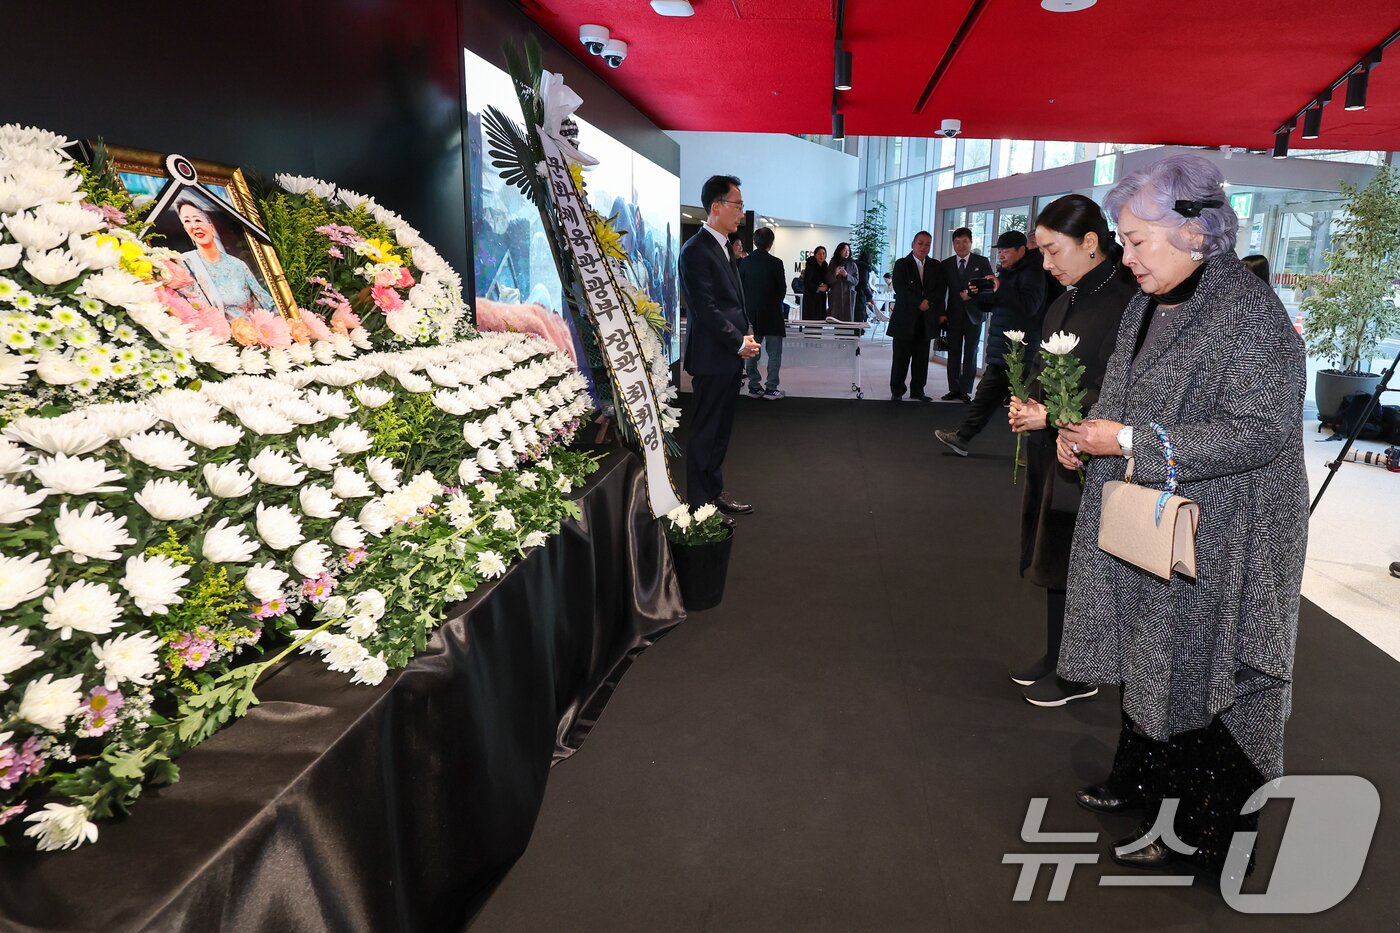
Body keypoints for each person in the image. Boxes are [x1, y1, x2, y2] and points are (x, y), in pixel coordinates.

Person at [1055, 154, 1307, 879]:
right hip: (1164, 516)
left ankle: (1205, 835)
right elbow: (1123, 392)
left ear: (1195, 232)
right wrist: (1087, 435)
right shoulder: (1151, 300)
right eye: (1123, 240)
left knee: (1210, 673)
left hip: (1233, 533)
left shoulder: (1249, 313)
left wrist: (1130, 441)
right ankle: (1142, 783)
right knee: (1154, 652)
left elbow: (1259, 432)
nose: (1126, 256)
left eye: (1137, 240)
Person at [1006, 195, 1136, 707]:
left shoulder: (1127, 300)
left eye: (1053, 250)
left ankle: (1081, 670)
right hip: (1057, 450)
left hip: (1098, 454)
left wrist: (1054, 416)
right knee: (1056, 553)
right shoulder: (1065, 300)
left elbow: (1120, 388)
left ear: (1090, 242)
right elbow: (1046, 370)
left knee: (1086, 566)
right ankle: (1060, 655)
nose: (1046, 264)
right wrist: (1030, 404)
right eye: (1041, 251)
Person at [679, 174, 761, 514]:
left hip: (727, 356)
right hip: (712, 356)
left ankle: (713, 493)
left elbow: (733, 304)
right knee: (706, 431)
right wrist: (737, 342)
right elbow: (705, 309)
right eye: (737, 205)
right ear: (716, 206)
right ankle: (699, 504)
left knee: (721, 431)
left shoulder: (723, 247)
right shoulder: (696, 250)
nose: (741, 213)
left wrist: (746, 334)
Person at [934, 230, 1047, 455]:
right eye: (999, 251)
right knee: (987, 397)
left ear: (1021, 250)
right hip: (1003, 348)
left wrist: (1000, 288)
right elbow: (997, 302)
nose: (1001, 255)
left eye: (1006, 251)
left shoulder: (1034, 272)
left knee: (1028, 402)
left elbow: (1030, 305)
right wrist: (978, 294)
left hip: (1019, 350)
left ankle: (1033, 453)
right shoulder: (1008, 272)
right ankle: (962, 438)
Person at [175, 198, 274, 321]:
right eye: (187, 221)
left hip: (247, 330)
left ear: (211, 227)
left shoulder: (238, 265)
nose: (194, 226)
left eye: (198, 220)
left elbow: (269, 305)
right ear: (185, 229)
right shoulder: (183, 263)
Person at [888, 231, 945, 401]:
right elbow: (900, 288)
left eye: (927, 244)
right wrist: (919, 302)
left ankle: (918, 391)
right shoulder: (902, 264)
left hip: (925, 319)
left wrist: (929, 302)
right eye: (920, 243)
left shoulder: (935, 265)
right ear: (913, 244)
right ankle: (897, 391)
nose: (923, 247)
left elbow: (940, 289)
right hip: (905, 319)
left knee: (921, 359)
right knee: (901, 358)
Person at [939, 227, 994, 401]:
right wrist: (942, 313)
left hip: (974, 315)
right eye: (957, 242)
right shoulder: (946, 264)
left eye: (965, 242)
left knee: (971, 352)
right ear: (953, 244)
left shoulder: (981, 261)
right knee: (953, 353)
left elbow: (990, 286)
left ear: (971, 243)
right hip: (953, 315)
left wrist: (972, 294)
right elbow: (941, 291)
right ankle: (953, 389)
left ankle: (965, 390)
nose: (961, 246)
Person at [741, 226, 787, 400]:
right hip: (773, 314)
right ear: (771, 243)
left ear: (754, 242)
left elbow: (740, 289)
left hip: (751, 315)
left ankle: (754, 386)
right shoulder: (776, 263)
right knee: (774, 353)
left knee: (752, 352)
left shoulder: (744, 263)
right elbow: (782, 290)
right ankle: (771, 388)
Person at [825, 241, 859, 323]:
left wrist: (847, 275)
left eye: (848, 250)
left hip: (848, 295)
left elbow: (856, 281)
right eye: (844, 250)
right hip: (836, 296)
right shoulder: (833, 263)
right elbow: (828, 280)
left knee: (847, 321)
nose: (847, 252)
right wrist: (835, 274)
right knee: (835, 320)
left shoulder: (852, 264)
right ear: (839, 251)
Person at [801, 247, 828, 321]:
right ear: (815, 255)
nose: (821, 255)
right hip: (811, 297)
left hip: (821, 297)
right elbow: (806, 282)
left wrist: (826, 286)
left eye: (823, 253)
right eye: (819, 253)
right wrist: (818, 288)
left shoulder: (825, 266)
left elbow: (827, 281)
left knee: (820, 321)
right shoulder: (810, 265)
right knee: (811, 321)